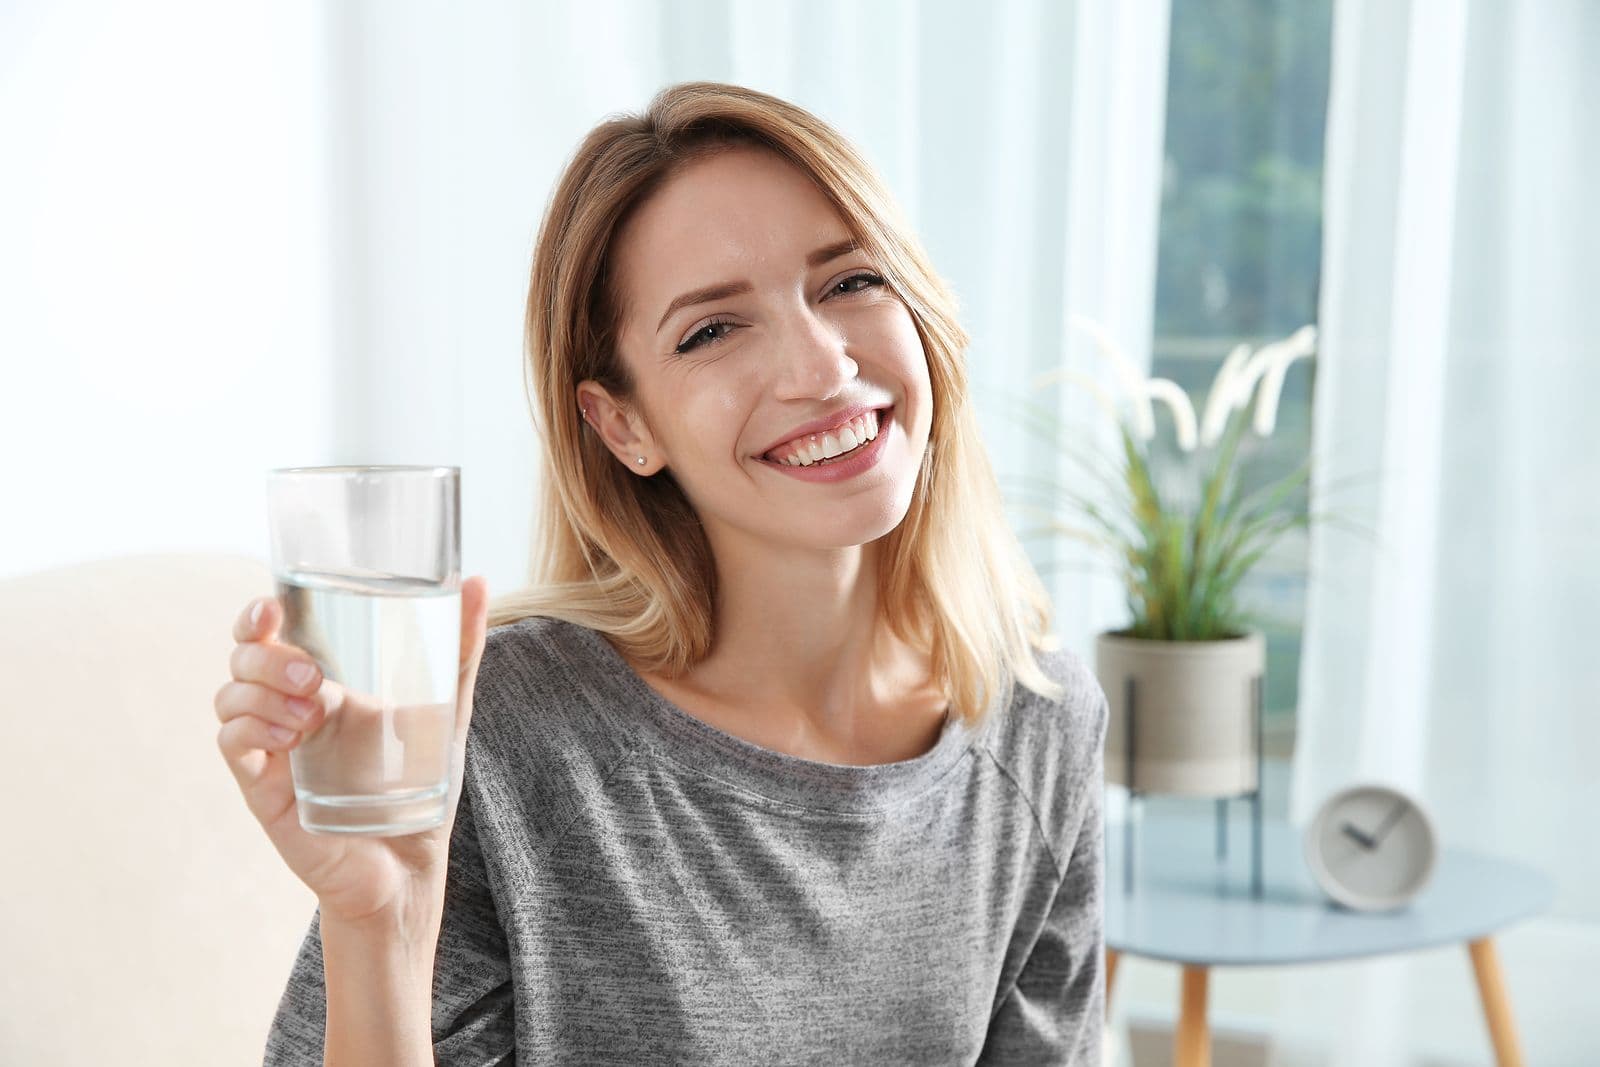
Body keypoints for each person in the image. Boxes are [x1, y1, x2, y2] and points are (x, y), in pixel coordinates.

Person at [216, 81, 1109, 1065]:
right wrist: (376, 927)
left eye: (851, 281)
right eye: (711, 330)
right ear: (623, 424)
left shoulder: (1040, 724)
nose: (821, 367)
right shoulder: (493, 739)